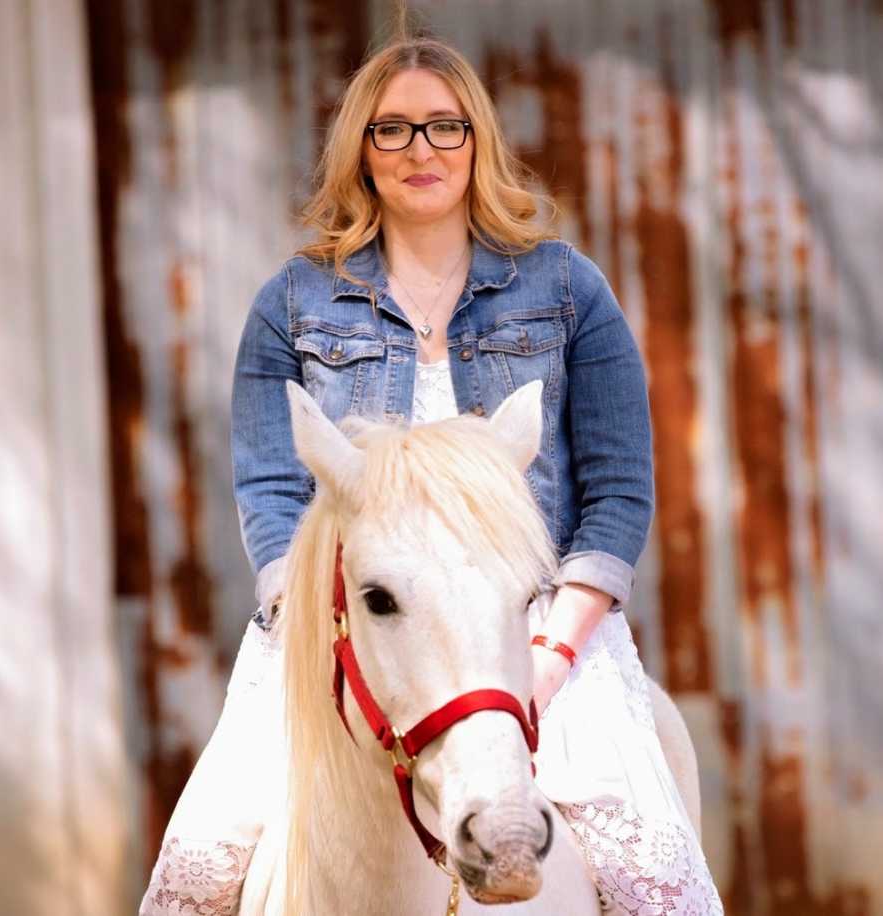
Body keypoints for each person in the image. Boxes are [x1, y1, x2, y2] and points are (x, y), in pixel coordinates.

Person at [141, 32, 723, 916]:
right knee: (189, 881)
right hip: (343, 629)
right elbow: (269, 489)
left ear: (478, 141)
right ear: (361, 152)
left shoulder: (568, 289)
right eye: (393, 130)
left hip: (539, 627)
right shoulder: (291, 303)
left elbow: (618, 491)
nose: (421, 151)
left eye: (446, 128)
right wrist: (309, 636)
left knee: (665, 890)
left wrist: (555, 650)